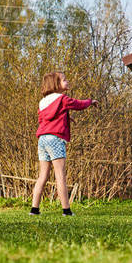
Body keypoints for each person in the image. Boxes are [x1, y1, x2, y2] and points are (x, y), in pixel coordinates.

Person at [30, 71, 98, 216]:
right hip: (55, 138)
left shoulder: (43, 102)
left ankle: (34, 210)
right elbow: (78, 104)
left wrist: (67, 118)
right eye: (64, 80)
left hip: (42, 139)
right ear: (56, 84)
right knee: (60, 175)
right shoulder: (62, 99)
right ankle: (66, 211)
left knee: (43, 175)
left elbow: (46, 120)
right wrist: (90, 102)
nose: (67, 82)